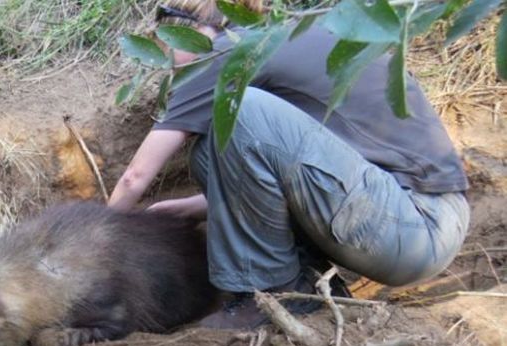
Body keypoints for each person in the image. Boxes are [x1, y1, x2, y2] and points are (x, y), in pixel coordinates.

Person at [108, 0, 470, 329]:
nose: (170, 67)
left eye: (167, 47)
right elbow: (293, 169)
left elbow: (135, 178)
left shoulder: (221, 55)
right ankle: (307, 281)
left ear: (192, 32)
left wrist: (97, 240)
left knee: (240, 113)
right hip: (419, 221)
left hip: (411, 227)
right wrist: (195, 208)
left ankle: (274, 293)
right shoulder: (282, 37)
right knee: (211, 147)